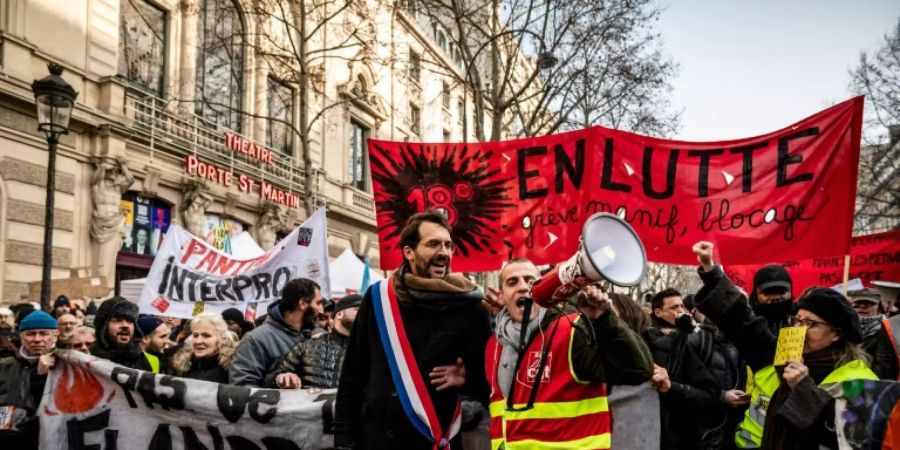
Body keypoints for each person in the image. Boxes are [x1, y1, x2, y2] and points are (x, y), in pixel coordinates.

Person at [691, 241, 878, 449]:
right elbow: (742, 321)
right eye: (798, 320)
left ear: (836, 334)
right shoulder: (782, 354)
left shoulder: (859, 380)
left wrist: (804, 390)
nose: (800, 329)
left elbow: (856, 438)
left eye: (811, 323)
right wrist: (711, 271)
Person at [335, 210, 492, 450]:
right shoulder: (378, 298)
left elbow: (489, 383)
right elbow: (353, 373)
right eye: (433, 244)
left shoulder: (470, 306)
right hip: (379, 440)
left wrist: (467, 379)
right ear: (409, 252)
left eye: (448, 245)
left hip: (437, 440)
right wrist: (344, 440)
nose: (443, 253)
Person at [485, 259, 653, 449]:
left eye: (531, 281)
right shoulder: (495, 344)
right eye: (512, 282)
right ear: (502, 296)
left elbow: (637, 370)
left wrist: (605, 320)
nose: (523, 287)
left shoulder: (572, 329)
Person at [647, 288, 726, 450]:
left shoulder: (694, 337)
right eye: (673, 308)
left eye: (681, 306)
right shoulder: (650, 338)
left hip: (690, 426)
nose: (680, 311)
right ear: (658, 312)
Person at [229, 278, 321, 386]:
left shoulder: (319, 335)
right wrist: (278, 383)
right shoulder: (256, 339)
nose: (321, 309)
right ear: (303, 304)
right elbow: (243, 387)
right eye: (318, 303)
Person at [266, 294, 362, 389]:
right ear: (340, 314)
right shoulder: (307, 346)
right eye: (358, 310)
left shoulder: (371, 353)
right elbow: (270, 379)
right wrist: (281, 378)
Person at [0, 311, 57, 448]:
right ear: (21, 337)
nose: (37, 339)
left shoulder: (63, 366)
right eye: (30, 334)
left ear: (55, 336)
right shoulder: (5, 366)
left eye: (43, 333)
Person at [91, 296, 154, 371]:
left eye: (130, 321)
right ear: (103, 327)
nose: (125, 325)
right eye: (117, 320)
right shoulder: (87, 362)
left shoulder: (149, 361)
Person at [169, 313, 235, 383]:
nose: (198, 341)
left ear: (223, 340)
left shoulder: (232, 372)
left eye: (206, 336)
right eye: (195, 335)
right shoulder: (181, 367)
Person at [849, 288, 898, 379]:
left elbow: (884, 365)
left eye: (869, 303)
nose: (863, 306)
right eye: (858, 303)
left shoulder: (887, 331)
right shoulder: (842, 329)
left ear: (879, 307)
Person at [749, 265, 794, 335]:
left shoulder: (802, 320)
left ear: (791, 291)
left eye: (781, 291)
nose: (775, 297)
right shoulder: (744, 324)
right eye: (767, 292)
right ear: (755, 294)